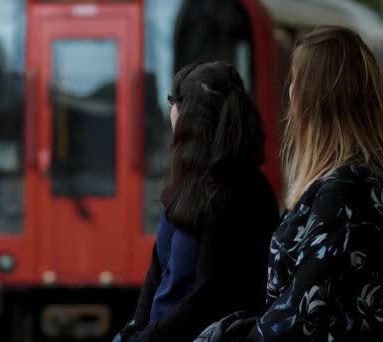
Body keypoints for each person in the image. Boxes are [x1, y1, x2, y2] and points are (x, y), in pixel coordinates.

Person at [195, 26, 383, 342]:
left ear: (312, 97)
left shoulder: (345, 189)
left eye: (295, 79)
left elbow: (298, 314)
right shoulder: (350, 181)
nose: (290, 91)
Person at [115, 61, 280, 341]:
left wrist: (148, 338)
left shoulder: (239, 192)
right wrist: (135, 328)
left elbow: (206, 301)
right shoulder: (187, 181)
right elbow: (158, 269)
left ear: (192, 116)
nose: (170, 110)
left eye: (173, 101)